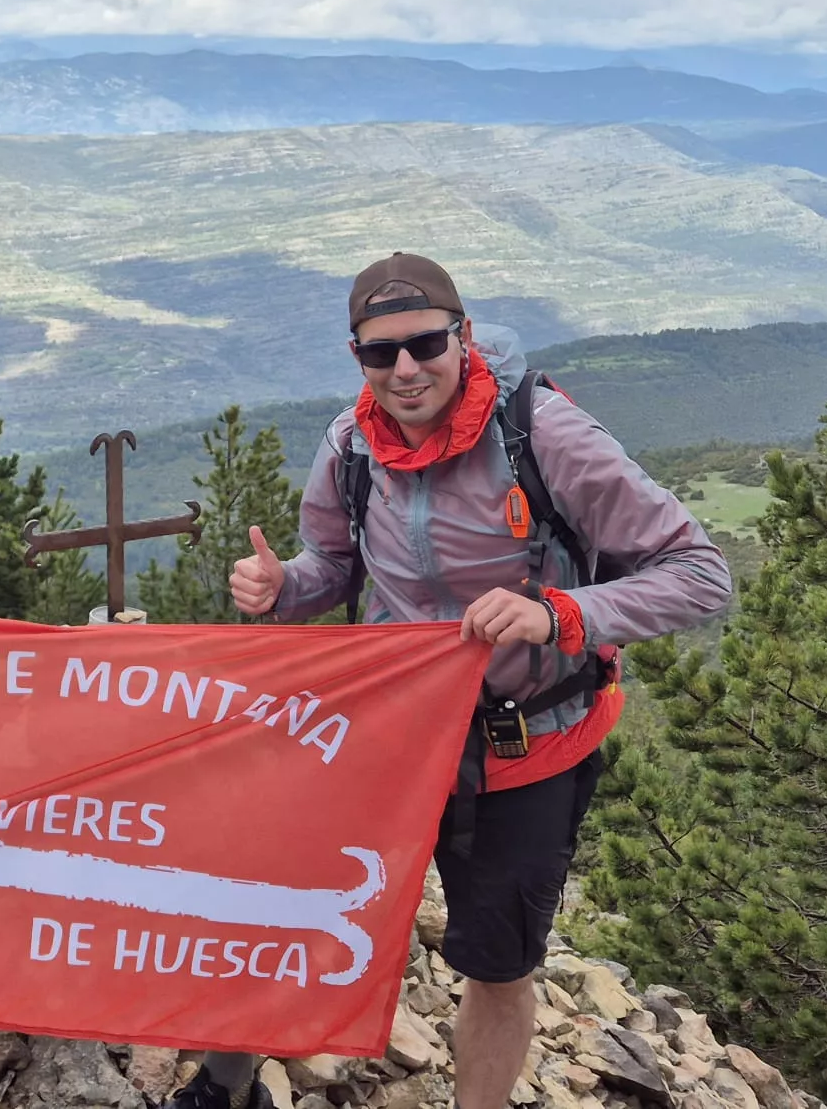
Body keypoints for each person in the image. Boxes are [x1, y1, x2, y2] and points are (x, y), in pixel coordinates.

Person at [182, 252, 732, 1109]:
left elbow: (701, 574)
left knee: (495, 960)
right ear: (357, 355)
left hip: (527, 746)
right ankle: (223, 1086)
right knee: (292, 906)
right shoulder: (350, 442)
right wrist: (281, 586)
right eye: (379, 353)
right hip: (386, 737)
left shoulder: (546, 437)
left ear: (463, 336)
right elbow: (333, 564)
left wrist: (559, 614)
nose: (405, 369)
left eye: (425, 343)